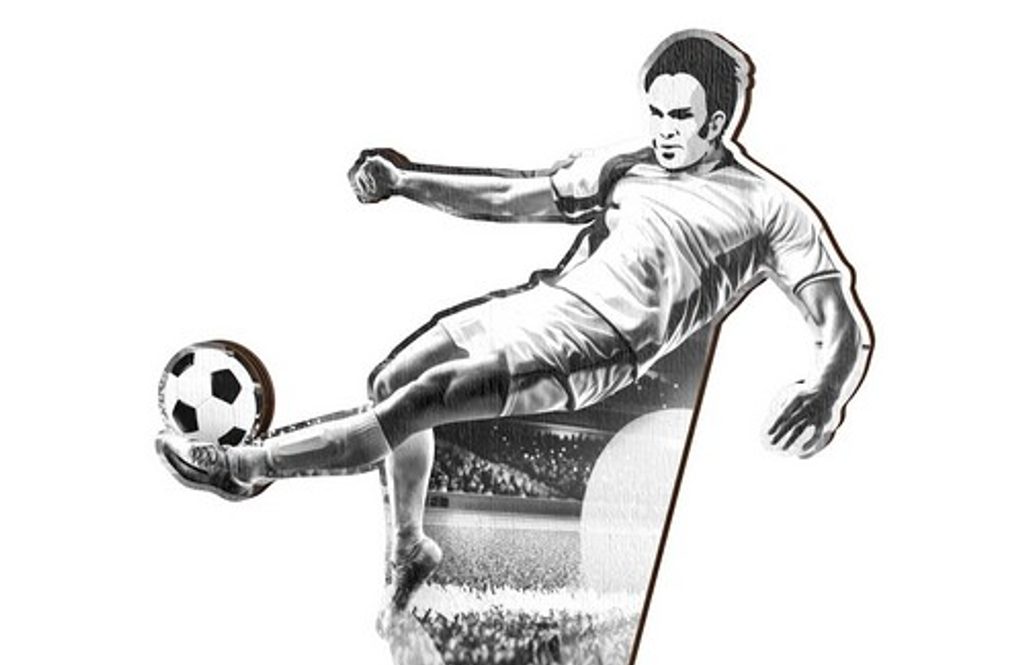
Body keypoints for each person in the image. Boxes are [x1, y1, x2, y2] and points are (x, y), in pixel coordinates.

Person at [157, 29, 871, 609]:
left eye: (679, 118)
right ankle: (410, 547)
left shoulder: (768, 208)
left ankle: (246, 466)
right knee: (392, 380)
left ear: (717, 122)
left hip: (600, 344)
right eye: (655, 112)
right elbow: (509, 199)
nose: (662, 130)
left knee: (424, 400)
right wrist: (405, 181)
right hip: (542, 304)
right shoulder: (625, 165)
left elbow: (840, 318)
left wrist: (826, 391)